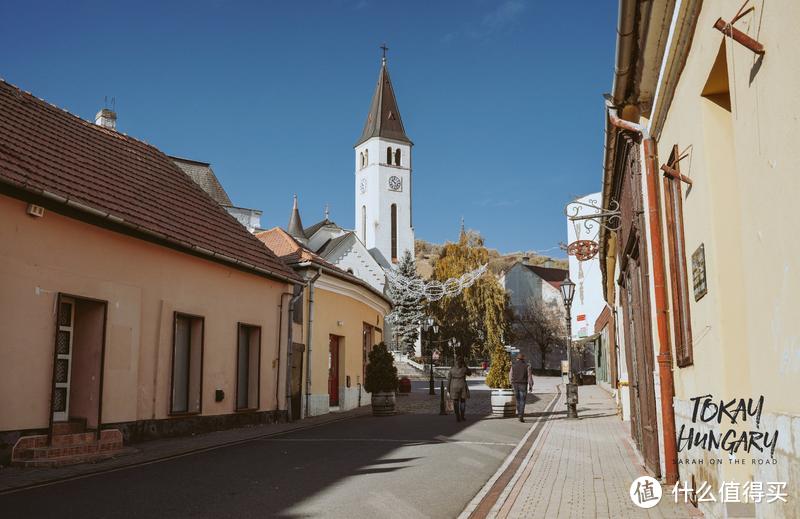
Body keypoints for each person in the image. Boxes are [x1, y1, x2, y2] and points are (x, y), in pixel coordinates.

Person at [509, 353, 533, 422]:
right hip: (523, 385)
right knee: (522, 401)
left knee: (518, 400)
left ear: (517, 358)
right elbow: (529, 377)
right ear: (523, 359)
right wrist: (530, 385)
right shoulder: (527, 366)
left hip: (515, 385)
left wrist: (511, 383)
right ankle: (521, 416)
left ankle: (519, 413)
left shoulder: (513, 366)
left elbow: (510, 375)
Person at [448, 357, 472, 422]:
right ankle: (462, 416)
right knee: (462, 401)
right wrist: (465, 365)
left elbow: (449, 380)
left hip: (454, 386)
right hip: (462, 386)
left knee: (455, 402)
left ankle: (457, 416)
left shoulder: (452, 369)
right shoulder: (464, 369)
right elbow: (470, 373)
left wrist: (448, 390)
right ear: (462, 362)